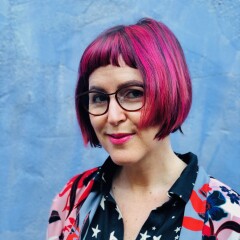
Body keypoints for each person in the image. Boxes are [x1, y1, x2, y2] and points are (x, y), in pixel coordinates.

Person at [47, 18, 240, 240]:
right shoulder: (72, 199)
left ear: (170, 92)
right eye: (99, 98)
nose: (113, 117)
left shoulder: (225, 217)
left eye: (133, 93)